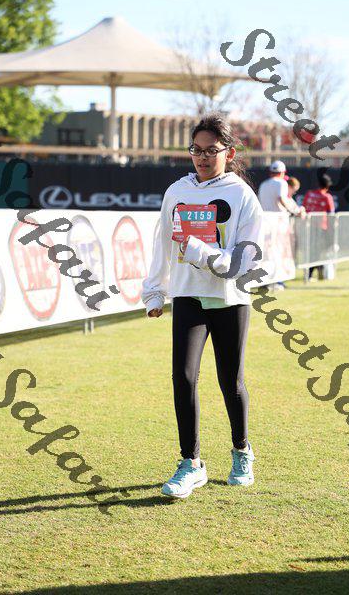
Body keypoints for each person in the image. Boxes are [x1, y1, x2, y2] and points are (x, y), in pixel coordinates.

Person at [141, 113, 265, 499]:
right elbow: (162, 242)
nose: (203, 157)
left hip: (229, 299)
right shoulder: (177, 191)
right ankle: (191, 463)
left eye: (211, 150)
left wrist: (199, 251)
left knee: (231, 380)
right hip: (187, 295)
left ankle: (242, 452)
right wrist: (155, 291)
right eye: (196, 149)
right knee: (183, 377)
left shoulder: (242, 196)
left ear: (229, 153)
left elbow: (242, 262)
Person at [258, 162, 305, 290]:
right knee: (278, 253)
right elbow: (281, 199)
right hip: (278, 223)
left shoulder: (263, 184)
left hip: (266, 223)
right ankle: (276, 281)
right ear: (283, 172)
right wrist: (294, 211)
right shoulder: (282, 183)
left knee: (268, 253)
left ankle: (266, 282)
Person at [302, 174, 335, 281]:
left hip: (308, 227)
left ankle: (316, 271)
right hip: (321, 229)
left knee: (311, 250)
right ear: (328, 186)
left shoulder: (309, 194)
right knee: (319, 251)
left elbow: (303, 208)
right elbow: (331, 214)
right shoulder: (327, 197)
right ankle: (314, 272)